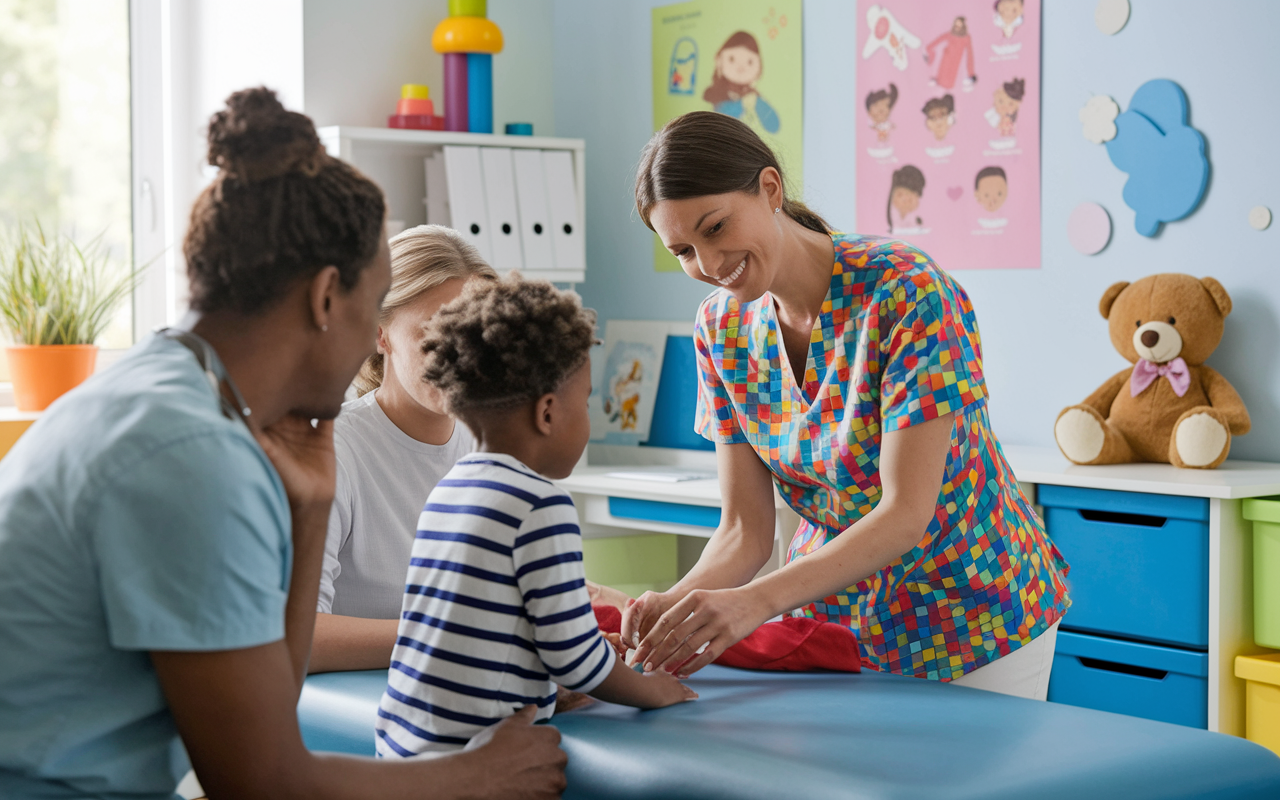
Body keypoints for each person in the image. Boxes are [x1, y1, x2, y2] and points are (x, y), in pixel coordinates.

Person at [0, 87, 565, 799]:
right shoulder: (186, 455)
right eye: (374, 308)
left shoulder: (164, 395)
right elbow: (259, 782)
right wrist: (472, 775)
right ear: (329, 297)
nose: (370, 345)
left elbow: (272, 695)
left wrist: (310, 514)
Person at [624, 111, 1070, 700]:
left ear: (769, 189)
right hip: (834, 622)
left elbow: (906, 512)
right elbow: (743, 531)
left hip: (971, 611)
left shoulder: (907, 293)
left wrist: (755, 602)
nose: (707, 266)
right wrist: (674, 608)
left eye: (715, 228)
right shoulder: (721, 329)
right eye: (682, 250)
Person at [376, 277, 695, 757]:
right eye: (585, 402)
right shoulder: (540, 504)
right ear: (547, 413)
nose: (587, 419)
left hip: (403, 746)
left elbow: (491, 627)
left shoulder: (448, 490)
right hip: (472, 759)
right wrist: (652, 689)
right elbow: (573, 660)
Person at [311, 225, 496, 674]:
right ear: (380, 335)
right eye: (434, 335)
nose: (461, 357)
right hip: (359, 701)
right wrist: (451, 638)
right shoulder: (332, 451)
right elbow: (299, 638)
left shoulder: (490, 444)